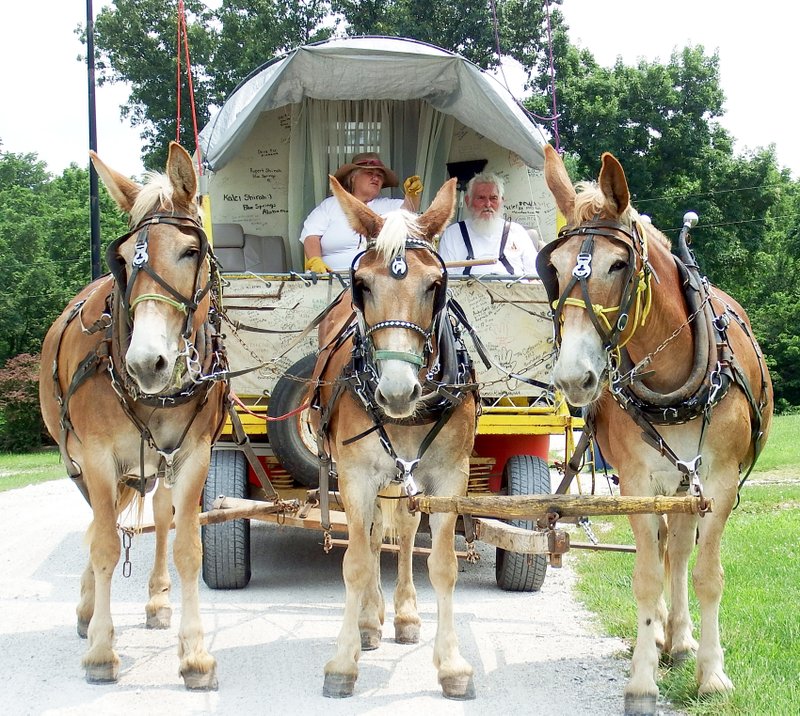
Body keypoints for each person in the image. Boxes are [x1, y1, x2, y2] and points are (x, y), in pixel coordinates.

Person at [300, 152, 423, 272]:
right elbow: (311, 236)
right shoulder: (330, 205)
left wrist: (412, 195)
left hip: (377, 283)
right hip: (331, 280)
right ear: (353, 177)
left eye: (380, 175)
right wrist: (316, 261)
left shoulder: (388, 205)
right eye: (369, 173)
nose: (375, 178)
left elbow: (408, 213)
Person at [437, 172, 538, 276]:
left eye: (493, 198)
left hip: (513, 291)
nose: (488, 204)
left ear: (502, 201)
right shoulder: (453, 234)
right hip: (466, 291)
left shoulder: (517, 232)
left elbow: (535, 275)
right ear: (468, 201)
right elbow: (444, 278)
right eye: (481, 198)